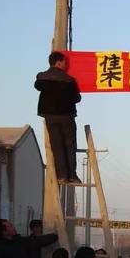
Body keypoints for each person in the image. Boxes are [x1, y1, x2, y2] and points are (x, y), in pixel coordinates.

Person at [34, 51, 82, 184]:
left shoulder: (42, 77)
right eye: (65, 62)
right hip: (67, 116)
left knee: (56, 145)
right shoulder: (69, 80)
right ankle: (72, 175)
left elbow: (37, 85)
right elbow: (77, 98)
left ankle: (62, 175)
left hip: (50, 116)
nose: (66, 65)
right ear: (59, 62)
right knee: (70, 145)